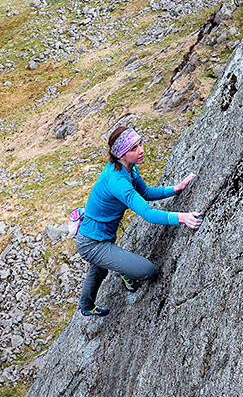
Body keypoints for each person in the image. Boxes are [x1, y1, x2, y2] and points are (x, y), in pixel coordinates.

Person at [76, 124, 202, 317]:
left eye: (140, 143)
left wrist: (175, 189)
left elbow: (145, 192)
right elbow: (148, 213)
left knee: (99, 270)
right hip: (91, 243)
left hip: (100, 236)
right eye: (134, 148)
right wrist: (182, 217)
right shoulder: (117, 181)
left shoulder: (129, 169)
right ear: (121, 155)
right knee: (147, 270)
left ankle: (85, 305)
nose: (141, 150)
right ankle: (117, 278)